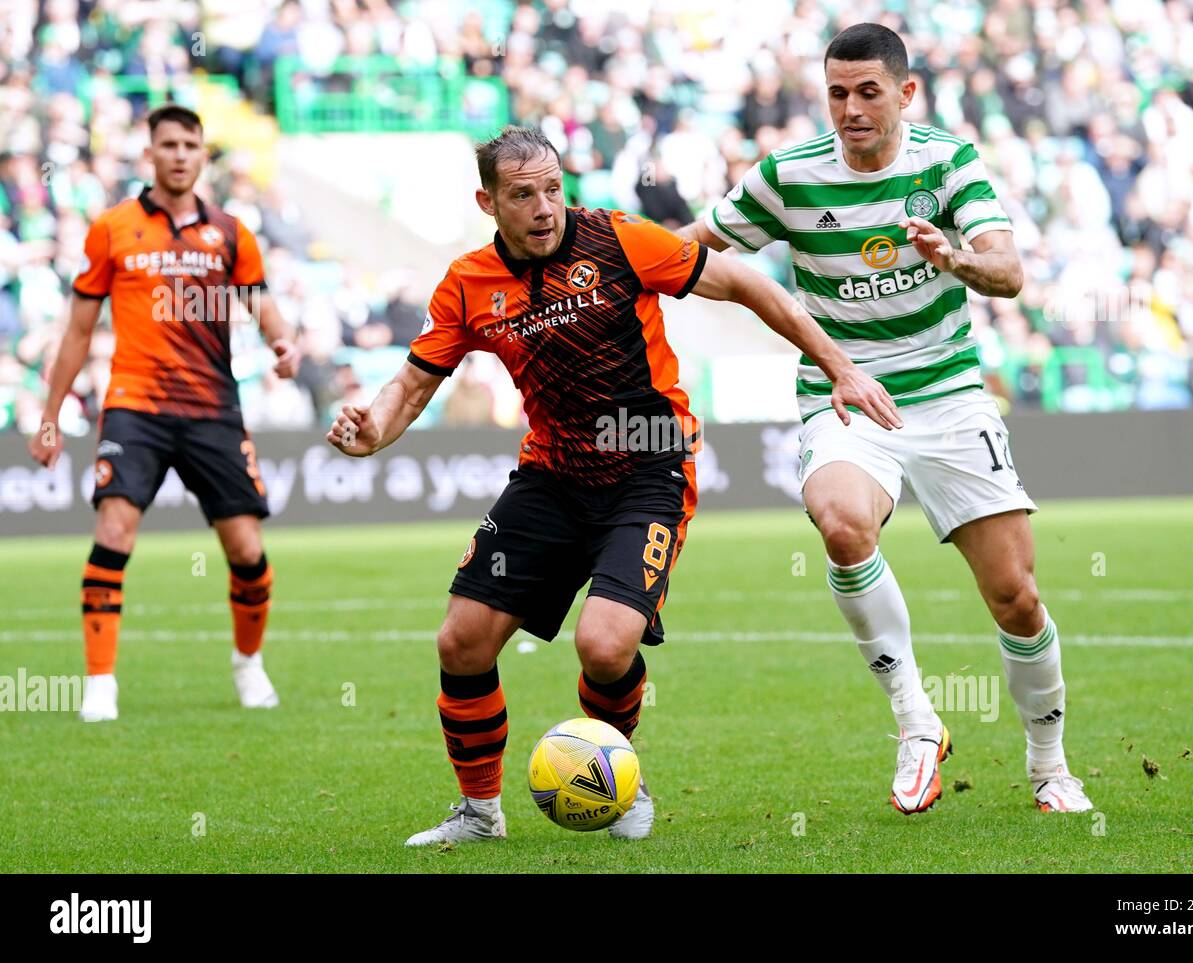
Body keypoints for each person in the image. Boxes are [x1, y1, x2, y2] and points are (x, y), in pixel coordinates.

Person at [326, 125, 893, 845]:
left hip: (648, 468)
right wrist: (370, 431)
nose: (543, 207)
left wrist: (840, 365)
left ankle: (619, 778)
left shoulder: (621, 241)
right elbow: (408, 388)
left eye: (553, 189)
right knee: (461, 642)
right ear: (488, 201)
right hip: (552, 475)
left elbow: (745, 282)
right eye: (523, 194)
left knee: (603, 645)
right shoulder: (467, 284)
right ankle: (478, 812)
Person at [679, 23, 1093, 814]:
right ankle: (916, 723)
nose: (851, 108)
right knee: (840, 522)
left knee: (1015, 595)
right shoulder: (787, 175)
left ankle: (1049, 767)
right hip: (845, 396)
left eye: (868, 91)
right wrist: (609, 268)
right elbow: (693, 251)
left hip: (948, 395)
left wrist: (955, 257)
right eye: (837, 92)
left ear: (906, 92)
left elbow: (1007, 272)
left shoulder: (947, 161)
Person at [28, 104, 301, 723]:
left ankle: (248, 663)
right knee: (114, 531)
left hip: (212, 411)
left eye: (191, 145)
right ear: (149, 153)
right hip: (134, 407)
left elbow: (262, 305)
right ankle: (101, 682)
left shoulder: (232, 232)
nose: (180, 154)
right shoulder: (111, 228)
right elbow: (76, 332)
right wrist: (50, 417)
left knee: (246, 552)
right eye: (169, 144)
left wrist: (283, 342)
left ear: (203, 155)